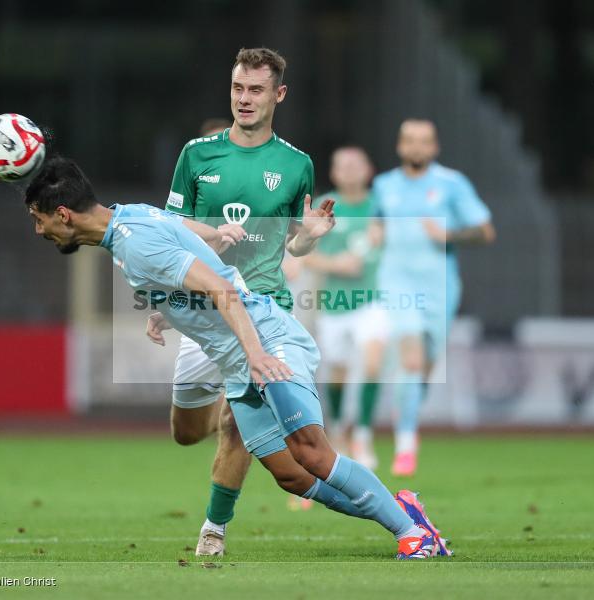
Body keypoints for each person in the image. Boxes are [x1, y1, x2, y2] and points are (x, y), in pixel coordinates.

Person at [24, 156, 450, 560]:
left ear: (63, 214)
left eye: (38, 219)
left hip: (265, 339)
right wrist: (166, 311)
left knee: (312, 451)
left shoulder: (136, 244)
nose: (39, 231)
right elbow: (190, 246)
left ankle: (413, 536)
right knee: (292, 475)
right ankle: (405, 512)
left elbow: (222, 289)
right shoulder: (128, 218)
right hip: (238, 360)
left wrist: (257, 354)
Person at [154, 47, 329, 556]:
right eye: (237, 88)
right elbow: (169, 230)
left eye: (255, 90)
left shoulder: (297, 165)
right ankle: (216, 404)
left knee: (237, 424)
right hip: (205, 310)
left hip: (263, 309)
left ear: (279, 95)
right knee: (187, 432)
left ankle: (214, 529)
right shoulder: (196, 155)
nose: (244, 99)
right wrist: (208, 238)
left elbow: (292, 244)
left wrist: (312, 236)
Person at [373, 119, 495, 477]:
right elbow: (374, 224)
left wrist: (449, 234)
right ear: (400, 146)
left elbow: (485, 231)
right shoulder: (383, 186)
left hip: (440, 288)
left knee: (424, 364)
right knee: (410, 359)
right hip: (395, 283)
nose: (416, 147)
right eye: (410, 140)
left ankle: (407, 406)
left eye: (424, 141)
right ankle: (406, 442)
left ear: (434, 147)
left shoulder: (452, 184)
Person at [301, 146, 386, 469]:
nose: (349, 171)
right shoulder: (326, 207)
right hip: (334, 305)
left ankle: (362, 434)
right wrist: (337, 264)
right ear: (334, 173)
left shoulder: (380, 206)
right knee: (337, 371)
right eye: (342, 165)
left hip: (371, 301)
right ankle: (337, 430)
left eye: (355, 165)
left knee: (373, 363)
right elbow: (305, 255)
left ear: (368, 170)